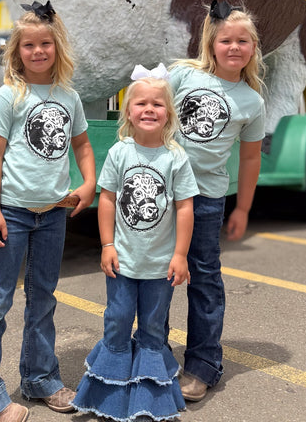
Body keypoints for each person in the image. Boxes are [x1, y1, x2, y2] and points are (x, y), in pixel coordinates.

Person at [0, 1, 97, 422]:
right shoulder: (10, 95)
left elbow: (82, 145)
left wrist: (89, 182)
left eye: (45, 44)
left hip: (53, 214)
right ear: (17, 52)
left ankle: (40, 379)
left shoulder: (69, 98)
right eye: (29, 45)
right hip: (13, 213)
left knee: (43, 298)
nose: (38, 51)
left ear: (58, 48)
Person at [72, 64, 199, 422]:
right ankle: (109, 396)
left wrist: (180, 255)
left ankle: (149, 400)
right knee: (117, 320)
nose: (149, 109)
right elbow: (107, 199)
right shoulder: (119, 152)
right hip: (123, 262)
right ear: (127, 112)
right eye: (141, 103)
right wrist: (106, 245)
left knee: (153, 329)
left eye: (157, 104)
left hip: (160, 266)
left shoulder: (176, 157)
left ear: (168, 113)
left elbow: (185, 208)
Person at [169, 0, 266, 403]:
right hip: (161, 193)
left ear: (253, 47)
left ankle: (203, 364)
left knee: (204, 278)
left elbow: (250, 158)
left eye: (243, 41)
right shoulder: (182, 75)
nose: (234, 47)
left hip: (206, 199)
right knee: (152, 276)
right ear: (211, 44)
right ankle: (153, 356)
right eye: (226, 40)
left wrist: (242, 207)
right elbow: (145, 110)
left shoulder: (251, 102)